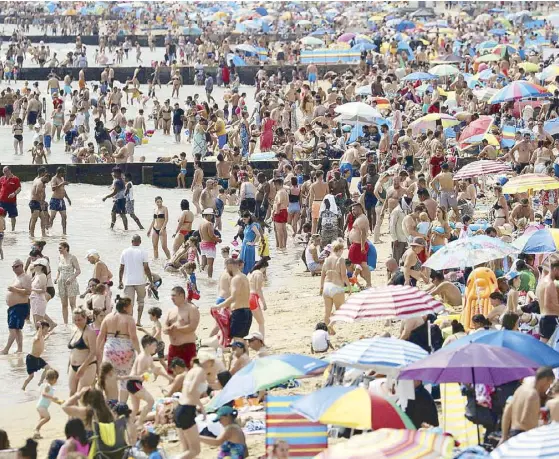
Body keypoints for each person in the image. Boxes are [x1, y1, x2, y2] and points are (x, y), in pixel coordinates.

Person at [97, 296, 140, 402]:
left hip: (110, 349)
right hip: (125, 350)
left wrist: (98, 352)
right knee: (125, 378)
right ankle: (122, 405)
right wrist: (140, 352)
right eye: (131, 306)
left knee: (108, 377)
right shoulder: (129, 319)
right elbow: (133, 337)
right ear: (125, 307)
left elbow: (101, 337)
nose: (132, 308)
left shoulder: (107, 317)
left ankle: (110, 402)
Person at [174, 349, 216, 459]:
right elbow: (193, 390)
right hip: (187, 410)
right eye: (210, 361)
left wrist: (202, 408)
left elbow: (190, 393)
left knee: (186, 450)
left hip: (179, 408)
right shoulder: (200, 371)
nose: (212, 364)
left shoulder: (191, 371)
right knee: (195, 450)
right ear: (205, 361)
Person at [125, 334, 172, 427]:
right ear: (147, 346)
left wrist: (168, 377)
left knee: (135, 408)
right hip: (134, 383)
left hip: (134, 383)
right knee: (151, 401)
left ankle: (128, 424)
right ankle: (139, 423)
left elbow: (156, 369)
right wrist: (151, 372)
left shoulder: (149, 357)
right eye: (154, 345)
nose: (156, 348)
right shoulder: (142, 357)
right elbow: (139, 373)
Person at [501, 367, 556, 442]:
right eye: (549, 384)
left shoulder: (520, 389)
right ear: (545, 380)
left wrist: (504, 436)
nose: (548, 388)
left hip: (513, 433)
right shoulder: (533, 395)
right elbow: (525, 420)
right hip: (525, 436)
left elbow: (507, 412)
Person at [119, 234, 154, 325]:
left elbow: (121, 268)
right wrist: (151, 280)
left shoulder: (125, 252)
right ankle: (138, 321)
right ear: (140, 242)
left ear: (131, 241)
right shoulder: (143, 252)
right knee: (141, 301)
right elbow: (146, 268)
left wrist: (120, 281)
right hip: (140, 281)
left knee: (128, 303)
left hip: (128, 281)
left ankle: (130, 322)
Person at [163, 286, 200, 371]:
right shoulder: (171, 311)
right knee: (172, 375)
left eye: (174, 295)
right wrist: (167, 329)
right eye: (171, 296)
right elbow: (164, 326)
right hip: (173, 348)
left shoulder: (191, 309)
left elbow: (192, 327)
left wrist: (178, 329)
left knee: (188, 375)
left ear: (181, 295)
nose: (171, 298)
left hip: (187, 348)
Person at [1, 259, 32, 354]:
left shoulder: (25, 277)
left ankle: (6, 349)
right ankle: (20, 349)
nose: (14, 268)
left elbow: (28, 292)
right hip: (13, 307)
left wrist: (15, 289)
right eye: (13, 267)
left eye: (17, 266)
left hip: (20, 306)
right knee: (17, 329)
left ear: (22, 266)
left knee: (12, 328)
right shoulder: (16, 277)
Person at [320, 240, 350, 335]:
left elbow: (323, 274)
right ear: (341, 249)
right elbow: (343, 276)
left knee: (327, 311)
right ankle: (331, 325)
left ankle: (325, 333)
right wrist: (349, 286)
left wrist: (321, 286)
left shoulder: (327, 259)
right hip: (337, 286)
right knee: (340, 310)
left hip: (327, 286)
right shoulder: (340, 259)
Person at [220, 258, 252, 342]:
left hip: (239, 312)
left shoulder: (235, 279)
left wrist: (219, 306)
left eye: (226, 268)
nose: (227, 271)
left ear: (230, 266)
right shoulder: (244, 276)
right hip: (248, 311)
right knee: (242, 340)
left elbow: (233, 297)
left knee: (237, 340)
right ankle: (245, 355)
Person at [68, 308, 97, 396]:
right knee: (72, 394)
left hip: (87, 366)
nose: (77, 322)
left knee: (81, 395)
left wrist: (83, 367)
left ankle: (89, 409)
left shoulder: (90, 332)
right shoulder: (74, 330)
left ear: (85, 319)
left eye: (79, 320)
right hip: (73, 367)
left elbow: (93, 352)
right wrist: (68, 364)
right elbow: (73, 350)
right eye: (75, 320)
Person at [55, 242, 81, 325]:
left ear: (66, 248)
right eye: (59, 248)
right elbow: (59, 270)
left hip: (71, 282)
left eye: (60, 248)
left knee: (72, 304)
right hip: (61, 282)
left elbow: (78, 270)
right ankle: (65, 324)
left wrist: (71, 278)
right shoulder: (60, 257)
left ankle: (75, 323)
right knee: (64, 304)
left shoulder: (72, 257)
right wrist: (56, 278)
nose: (59, 250)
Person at [347, 203, 372, 287]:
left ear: (360, 208)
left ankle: (351, 283)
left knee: (351, 265)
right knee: (363, 265)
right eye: (352, 210)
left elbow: (363, 232)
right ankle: (366, 283)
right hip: (357, 244)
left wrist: (362, 246)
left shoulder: (361, 218)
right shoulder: (359, 218)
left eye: (354, 209)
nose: (353, 211)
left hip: (358, 245)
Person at [536, 256, 559, 342]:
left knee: (544, 347)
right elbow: (550, 304)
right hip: (550, 319)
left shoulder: (542, 282)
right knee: (549, 348)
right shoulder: (550, 284)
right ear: (556, 269)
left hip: (544, 318)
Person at [34, 369, 61, 440]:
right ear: (54, 379)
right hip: (41, 406)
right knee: (47, 418)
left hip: (42, 406)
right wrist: (52, 397)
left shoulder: (50, 387)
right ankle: (36, 429)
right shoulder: (48, 386)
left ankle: (36, 433)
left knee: (42, 419)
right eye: (56, 379)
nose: (56, 381)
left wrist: (58, 402)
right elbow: (44, 394)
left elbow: (50, 398)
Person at [199, 208, 222, 278]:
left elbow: (201, 235)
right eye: (211, 215)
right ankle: (209, 278)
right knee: (210, 264)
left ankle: (201, 276)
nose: (212, 217)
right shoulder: (209, 224)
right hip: (209, 245)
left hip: (202, 244)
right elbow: (211, 235)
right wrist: (218, 240)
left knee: (203, 263)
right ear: (208, 215)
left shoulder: (201, 223)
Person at [248, 259, 268, 339]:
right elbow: (258, 289)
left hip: (246, 297)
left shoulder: (250, 273)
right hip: (253, 298)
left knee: (247, 322)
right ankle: (261, 341)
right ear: (263, 267)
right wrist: (264, 303)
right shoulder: (259, 273)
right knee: (261, 322)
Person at [48, 167, 71, 235]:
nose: (64, 174)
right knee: (52, 217)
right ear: (59, 172)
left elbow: (63, 190)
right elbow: (53, 188)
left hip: (61, 200)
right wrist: (62, 183)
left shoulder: (62, 178)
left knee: (64, 216)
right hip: (54, 200)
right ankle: (48, 231)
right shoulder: (54, 178)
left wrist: (68, 198)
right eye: (63, 172)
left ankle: (64, 232)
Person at [0, 166, 21, 231]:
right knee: (1, 215)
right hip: (2, 200)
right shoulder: (2, 178)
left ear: (9, 170)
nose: (4, 172)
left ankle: (13, 229)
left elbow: (19, 188)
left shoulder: (15, 179)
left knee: (12, 216)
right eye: (3, 171)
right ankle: (2, 228)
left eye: (5, 171)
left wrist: (14, 193)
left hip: (11, 201)